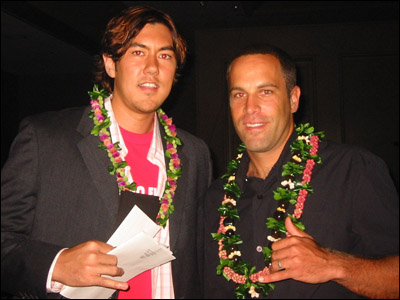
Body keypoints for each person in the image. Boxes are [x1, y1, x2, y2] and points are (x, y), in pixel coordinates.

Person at [1, 6, 212, 299]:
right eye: (138, 52)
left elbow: (197, 258)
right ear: (111, 64)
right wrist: (55, 264)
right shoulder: (44, 139)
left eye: (165, 56)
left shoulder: (195, 154)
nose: (153, 67)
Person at [202, 44, 399, 299]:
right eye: (239, 94)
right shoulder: (216, 196)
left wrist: (332, 265)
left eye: (265, 91)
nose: (250, 107)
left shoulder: (352, 169)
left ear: (293, 99)